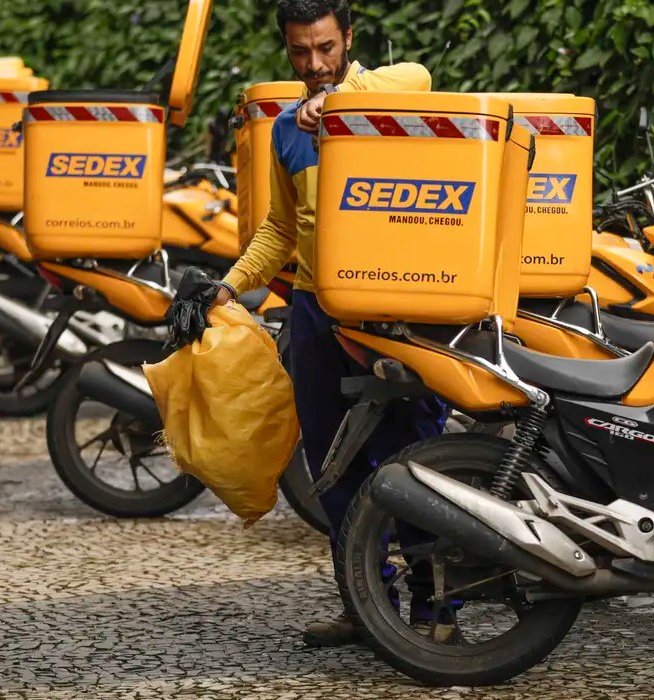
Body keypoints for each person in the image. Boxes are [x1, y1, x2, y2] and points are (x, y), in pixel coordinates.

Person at [213, 0, 448, 647]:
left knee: (412, 456)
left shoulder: (390, 105)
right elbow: (280, 228)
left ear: (348, 38)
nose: (314, 63)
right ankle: (365, 605)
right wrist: (226, 286)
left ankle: (436, 610)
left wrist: (340, 101)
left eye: (325, 48)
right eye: (300, 52)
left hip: (391, 309)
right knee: (330, 465)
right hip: (316, 309)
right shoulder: (286, 131)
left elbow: (422, 74)